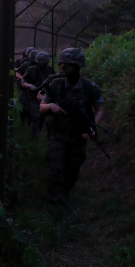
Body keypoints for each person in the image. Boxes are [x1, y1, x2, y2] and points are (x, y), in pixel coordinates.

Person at [39, 48, 104, 202]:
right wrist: (51, 107)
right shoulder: (56, 84)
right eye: (62, 65)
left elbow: (100, 110)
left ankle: (66, 193)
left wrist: (91, 127)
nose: (64, 68)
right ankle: (56, 200)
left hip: (78, 136)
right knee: (55, 168)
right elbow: (42, 106)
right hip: (57, 134)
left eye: (68, 65)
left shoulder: (89, 87)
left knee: (73, 168)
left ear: (78, 66)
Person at [21, 52, 56, 138]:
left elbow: (56, 81)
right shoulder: (31, 69)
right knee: (36, 116)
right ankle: (35, 136)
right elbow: (22, 82)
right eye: (40, 63)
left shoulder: (50, 70)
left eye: (43, 63)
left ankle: (38, 132)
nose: (41, 65)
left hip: (45, 97)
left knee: (43, 118)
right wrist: (30, 85)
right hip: (33, 97)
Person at [17, 49, 38, 125]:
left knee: (32, 109)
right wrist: (22, 79)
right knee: (23, 107)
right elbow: (17, 73)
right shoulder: (25, 65)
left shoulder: (39, 67)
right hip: (25, 89)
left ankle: (30, 121)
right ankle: (23, 121)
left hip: (36, 90)